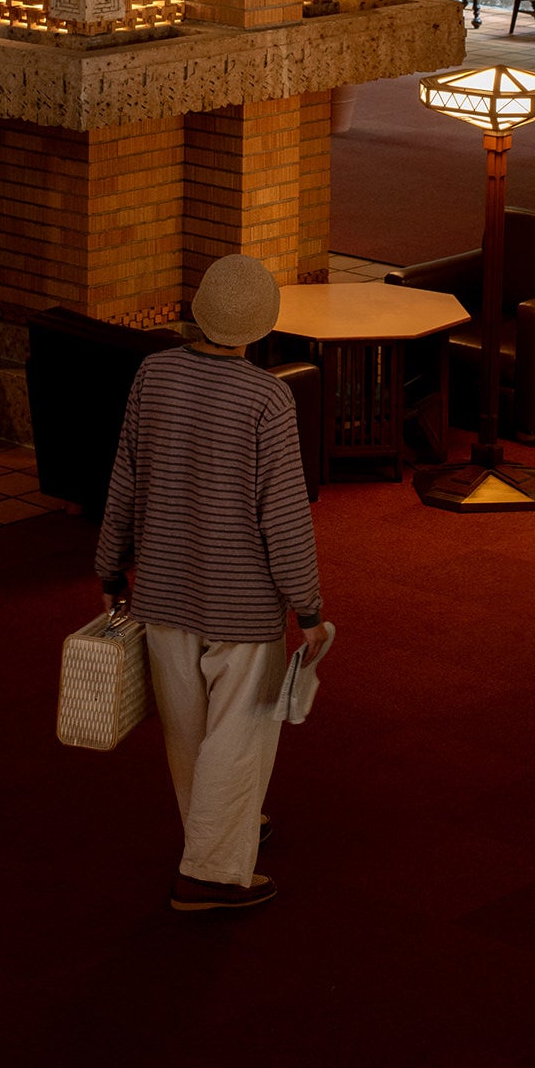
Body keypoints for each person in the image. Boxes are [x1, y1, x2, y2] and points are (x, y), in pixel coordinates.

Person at [95, 254, 331, 912]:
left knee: (187, 730)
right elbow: (283, 517)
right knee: (238, 735)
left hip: (163, 594)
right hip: (243, 608)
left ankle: (223, 830)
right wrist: (308, 608)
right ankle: (211, 875)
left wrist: (110, 567)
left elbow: (124, 480)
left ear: (199, 312)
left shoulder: (154, 374)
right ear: (261, 327)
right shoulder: (267, 398)